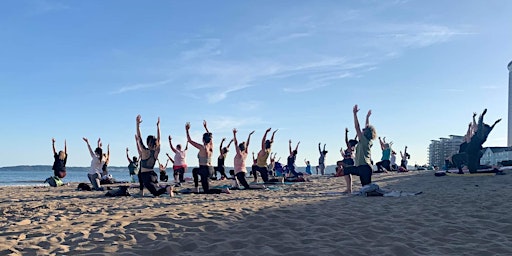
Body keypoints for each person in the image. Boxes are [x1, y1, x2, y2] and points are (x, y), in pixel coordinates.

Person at [451, 109, 501, 174]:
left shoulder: (479, 135)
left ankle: (492, 169)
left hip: (472, 153)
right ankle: (461, 171)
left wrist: (482, 115)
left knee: (472, 169)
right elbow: (488, 128)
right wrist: (495, 123)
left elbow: (480, 125)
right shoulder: (483, 135)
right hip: (471, 153)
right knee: (457, 158)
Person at [341, 105, 376, 193]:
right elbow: (366, 127)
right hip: (365, 168)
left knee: (346, 170)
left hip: (363, 168)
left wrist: (354, 114)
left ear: (365, 133)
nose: (362, 130)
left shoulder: (363, 140)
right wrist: (367, 117)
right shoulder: (368, 141)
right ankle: (349, 189)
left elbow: (357, 127)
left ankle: (349, 189)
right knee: (367, 189)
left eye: (364, 130)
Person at [186, 120, 228, 194]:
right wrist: (206, 127)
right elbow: (211, 138)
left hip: (204, 170)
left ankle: (223, 190)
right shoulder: (211, 146)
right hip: (211, 169)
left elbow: (189, 140)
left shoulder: (202, 147)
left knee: (206, 190)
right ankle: (196, 188)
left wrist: (187, 130)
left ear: (203, 139)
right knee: (195, 170)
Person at [136, 115, 173, 197]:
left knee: (155, 193)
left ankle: (167, 188)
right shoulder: (156, 152)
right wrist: (158, 126)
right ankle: (164, 189)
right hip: (153, 175)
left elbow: (139, 137)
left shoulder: (145, 151)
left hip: (146, 176)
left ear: (148, 143)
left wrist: (137, 124)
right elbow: (159, 139)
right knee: (155, 188)